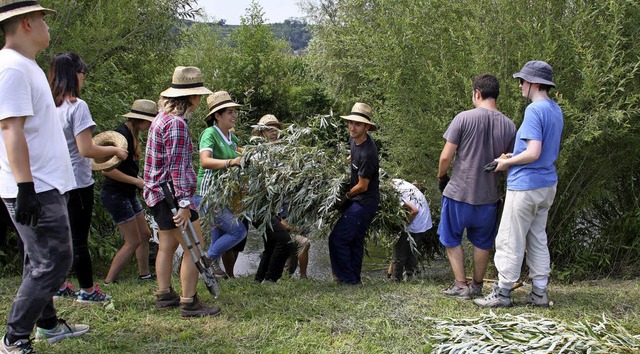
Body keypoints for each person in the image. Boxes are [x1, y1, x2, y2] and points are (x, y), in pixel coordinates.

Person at [0, 2, 89, 350]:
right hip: (35, 185)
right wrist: (25, 187)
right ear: (26, 24)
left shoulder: (27, 66)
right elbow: (9, 129)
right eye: (42, 20)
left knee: (38, 260)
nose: (47, 27)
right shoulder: (12, 69)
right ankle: (13, 338)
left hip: (45, 183)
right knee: (54, 261)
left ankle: (48, 325)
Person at [474, 61, 563, 308]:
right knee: (537, 237)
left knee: (510, 238)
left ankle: (502, 293)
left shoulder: (534, 110)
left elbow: (533, 152)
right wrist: (512, 156)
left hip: (525, 185)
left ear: (534, 84)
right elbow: (540, 152)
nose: (520, 85)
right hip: (546, 185)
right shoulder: (555, 109)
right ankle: (539, 292)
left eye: (522, 81)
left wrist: (505, 165)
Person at [49, 51, 128, 302]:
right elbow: (87, 149)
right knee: (79, 239)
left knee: (60, 237)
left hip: (53, 181)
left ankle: (59, 284)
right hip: (77, 182)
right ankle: (88, 290)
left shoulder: (49, 106)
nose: (84, 79)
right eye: (83, 73)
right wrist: (115, 149)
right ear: (75, 75)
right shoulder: (77, 106)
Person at [143, 66, 220, 317]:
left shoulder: (160, 118)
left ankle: (164, 294)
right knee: (194, 249)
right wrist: (185, 204)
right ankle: (189, 302)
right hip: (172, 197)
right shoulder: (176, 124)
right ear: (192, 97)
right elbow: (177, 168)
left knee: (166, 244)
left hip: (158, 194)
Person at [437, 74, 516, 300]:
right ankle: (478, 286)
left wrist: (442, 176)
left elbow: (446, 157)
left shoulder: (463, 118)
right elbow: (510, 163)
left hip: (459, 193)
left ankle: (461, 286)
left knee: (451, 239)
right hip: (488, 197)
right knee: (482, 243)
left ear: (477, 93)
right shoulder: (510, 125)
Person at [101, 99, 156, 285]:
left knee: (145, 234)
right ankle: (109, 282)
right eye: (150, 121)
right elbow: (106, 169)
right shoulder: (121, 135)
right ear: (142, 120)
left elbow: (128, 168)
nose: (151, 125)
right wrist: (137, 182)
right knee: (132, 240)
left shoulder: (133, 133)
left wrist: (140, 181)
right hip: (115, 194)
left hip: (127, 192)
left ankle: (145, 275)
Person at [252, 114, 311, 280]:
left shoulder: (283, 154)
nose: (274, 132)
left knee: (270, 245)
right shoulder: (258, 154)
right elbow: (262, 189)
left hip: (277, 209)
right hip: (262, 209)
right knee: (283, 242)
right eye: (269, 129)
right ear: (262, 133)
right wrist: (279, 218)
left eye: (276, 129)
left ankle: (260, 279)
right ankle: (271, 279)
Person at [195, 91, 247, 279]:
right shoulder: (210, 134)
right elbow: (205, 161)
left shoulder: (233, 139)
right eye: (230, 112)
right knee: (237, 230)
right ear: (217, 115)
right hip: (207, 193)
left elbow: (241, 158)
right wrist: (230, 162)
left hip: (224, 193)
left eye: (235, 111)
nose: (234, 115)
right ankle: (206, 260)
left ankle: (210, 270)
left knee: (217, 233)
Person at [329, 102, 379, 285]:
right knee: (355, 240)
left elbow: (363, 186)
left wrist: (344, 197)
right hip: (358, 200)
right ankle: (354, 279)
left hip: (364, 202)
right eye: (350, 123)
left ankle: (346, 279)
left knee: (337, 238)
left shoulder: (368, 153)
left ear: (366, 127)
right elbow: (352, 155)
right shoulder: (354, 140)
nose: (352, 127)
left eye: (357, 124)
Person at [387, 178, 433, 282]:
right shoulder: (398, 182)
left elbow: (414, 211)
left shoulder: (394, 192)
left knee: (399, 252)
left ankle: (395, 280)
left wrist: (403, 225)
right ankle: (412, 277)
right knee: (411, 252)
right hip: (424, 220)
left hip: (416, 219)